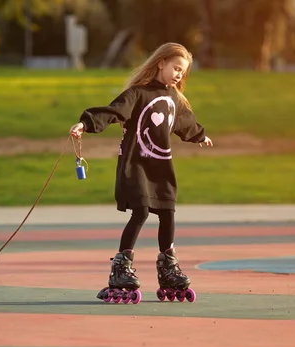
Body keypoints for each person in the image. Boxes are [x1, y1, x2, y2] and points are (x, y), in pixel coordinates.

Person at [68, 42, 213, 301]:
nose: (179, 74)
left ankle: (168, 267)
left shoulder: (174, 98)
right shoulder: (137, 94)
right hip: (136, 166)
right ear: (161, 63)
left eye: (183, 71)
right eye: (176, 68)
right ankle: (121, 268)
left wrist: (199, 136)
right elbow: (114, 111)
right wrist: (85, 123)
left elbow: (185, 123)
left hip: (160, 167)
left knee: (168, 211)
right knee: (142, 212)